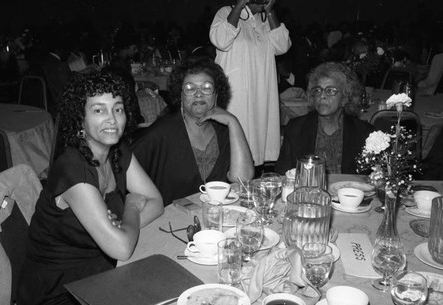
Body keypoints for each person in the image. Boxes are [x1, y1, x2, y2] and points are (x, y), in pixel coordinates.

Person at [18, 71, 164, 305]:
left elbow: (156, 202)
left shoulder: (117, 151)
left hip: (100, 272)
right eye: (99, 110)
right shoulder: (73, 169)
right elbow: (121, 247)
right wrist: (131, 208)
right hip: (59, 291)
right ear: (80, 119)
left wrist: (123, 226)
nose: (112, 119)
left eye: (117, 109)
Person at [131, 57, 254, 205]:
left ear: (216, 95)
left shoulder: (225, 132)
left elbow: (242, 179)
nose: (198, 94)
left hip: (215, 220)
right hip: (169, 222)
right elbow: (124, 172)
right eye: (190, 88)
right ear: (180, 95)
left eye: (207, 87)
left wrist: (233, 122)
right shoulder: (161, 133)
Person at [209, 0, 291, 166]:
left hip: (261, 91)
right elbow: (220, 40)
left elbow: (282, 46)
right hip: (236, 91)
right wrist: (240, 5)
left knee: (258, 140)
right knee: (233, 144)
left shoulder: (266, 19)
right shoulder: (226, 12)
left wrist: (269, 11)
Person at [275, 62, 374, 174]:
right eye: (317, 90)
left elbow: (369, 179)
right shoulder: (296, 128)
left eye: (330, 90)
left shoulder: (363, 132)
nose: (322, 96)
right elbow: (283, 174)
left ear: (345, 98)